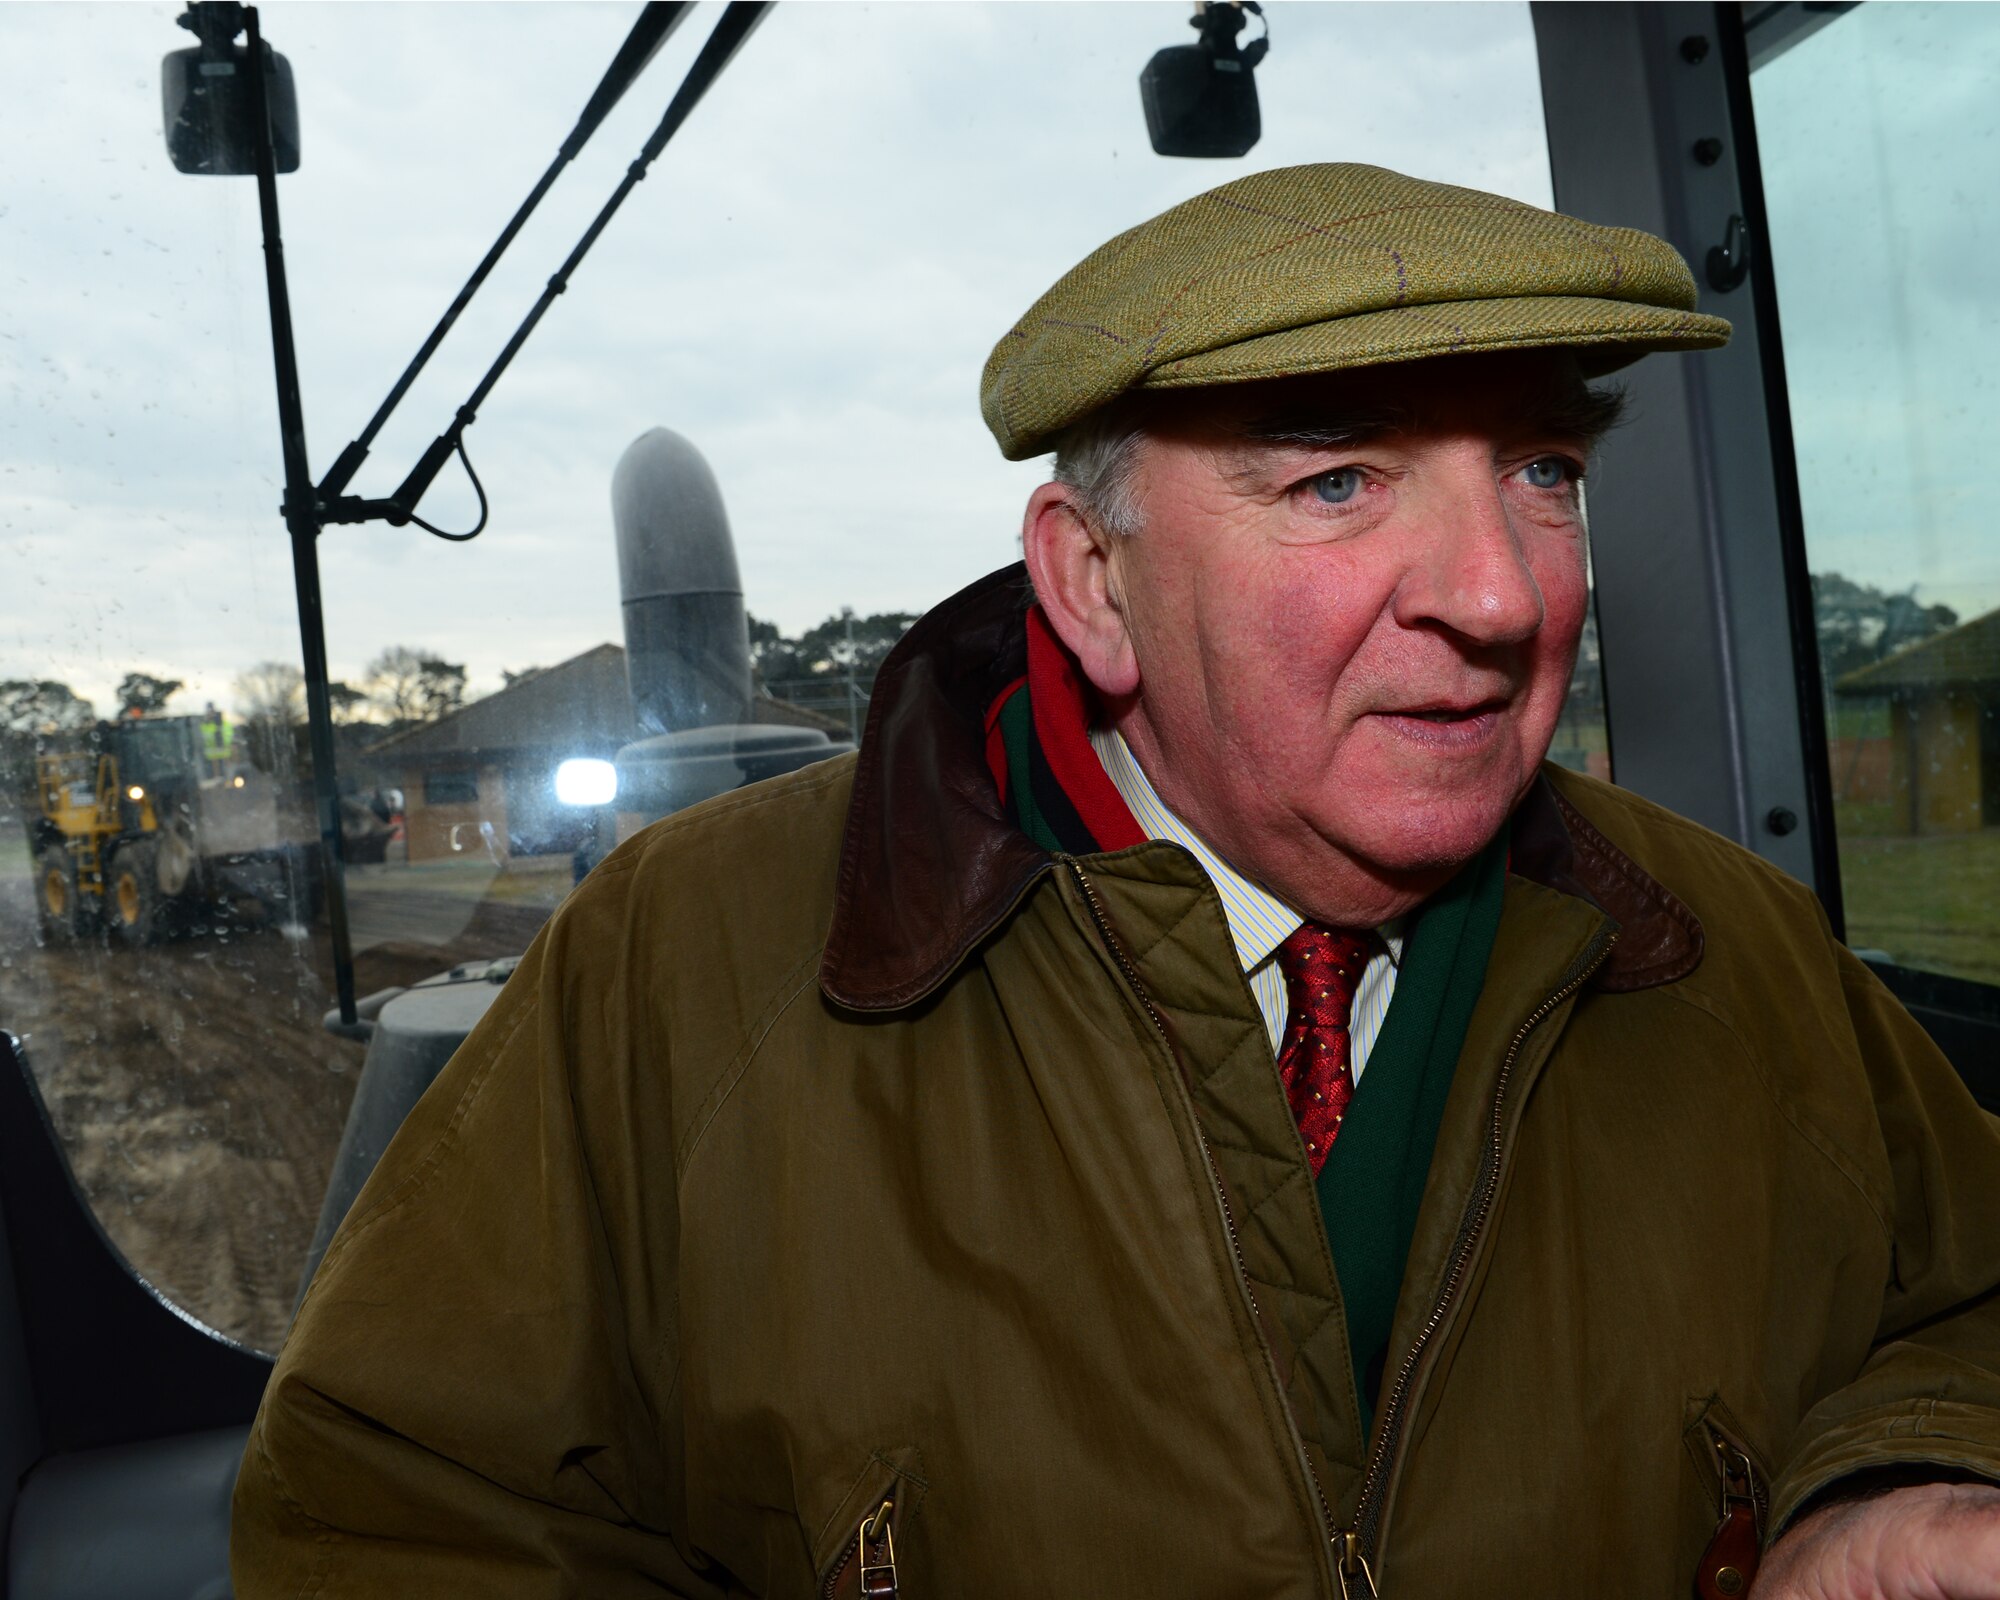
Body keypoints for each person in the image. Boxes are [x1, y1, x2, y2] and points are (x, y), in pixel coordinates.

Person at [232, 165, 2000, 1597]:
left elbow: (1970, 1305)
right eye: (1336, 480)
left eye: (1541, 470)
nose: (1501, 592)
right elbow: (400, 1517)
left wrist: (1896, 1476)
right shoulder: (681, 967)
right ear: (1091, 581)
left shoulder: (1736, 952)